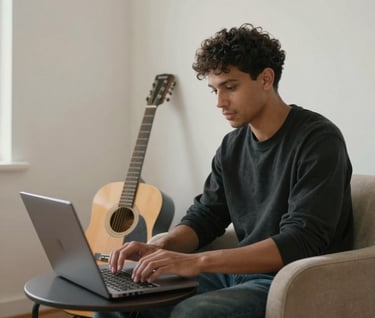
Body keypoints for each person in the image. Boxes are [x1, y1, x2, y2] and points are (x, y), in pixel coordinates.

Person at [95, 23, 353, 318]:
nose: (219, 102)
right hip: (233, 274)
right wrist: (161, 246)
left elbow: (301, 241)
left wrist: (198, 262)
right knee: (117, 300)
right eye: (214, 90)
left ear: (266, 79)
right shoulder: (232, 146)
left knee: (193, 314)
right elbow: (206, 217)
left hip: (287, 280)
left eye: (230, 87)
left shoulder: (318, 140)